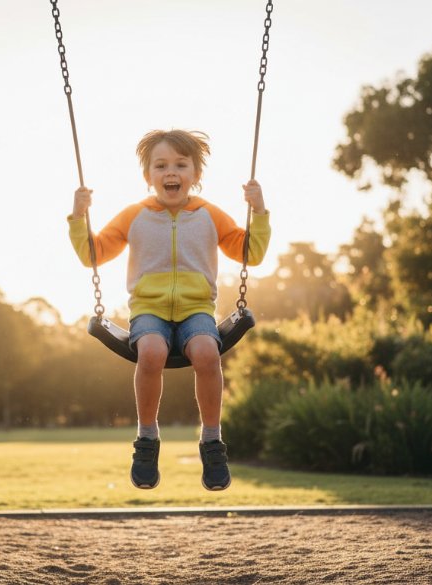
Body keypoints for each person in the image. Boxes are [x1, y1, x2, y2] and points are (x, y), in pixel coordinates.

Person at [67, 129, 271, 491]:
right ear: (148, 176)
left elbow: (249, 253)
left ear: (196, 174)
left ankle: (212, 440)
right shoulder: (135, 215)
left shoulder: (211, 215)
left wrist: (259, 211)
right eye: (160, 165)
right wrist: (79, 217)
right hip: (149, 310)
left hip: (197, 310)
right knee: (151, 351)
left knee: (208, 353)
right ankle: (147, 439)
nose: (170, 172)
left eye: (180, 164)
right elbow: (93, 254)